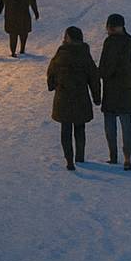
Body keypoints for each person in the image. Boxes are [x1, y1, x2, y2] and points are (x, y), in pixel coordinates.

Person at [46, 26, 101, 171]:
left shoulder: (61, 53)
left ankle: (69, 160)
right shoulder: (85, 54)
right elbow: (94, 77)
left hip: (63, 97)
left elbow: (51, 71)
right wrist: (96, 97)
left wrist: (52, 85)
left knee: (65, 129)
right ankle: (80, 157)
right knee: (80, 127)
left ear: (69, 38)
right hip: (80, 97)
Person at [97, 13, 131, 170]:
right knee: (126, 124)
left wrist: (101, 76)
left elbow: (104, 68)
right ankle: (127, 158)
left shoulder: (109, 43)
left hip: (111, 89)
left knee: (110, 124)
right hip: (127, 89)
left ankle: (113, 157)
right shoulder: (130, 43)